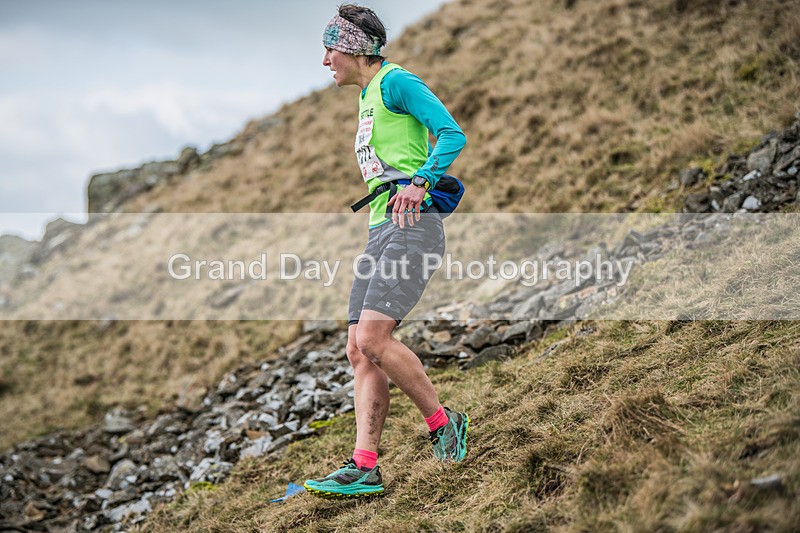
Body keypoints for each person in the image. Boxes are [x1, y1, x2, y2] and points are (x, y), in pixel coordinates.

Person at [303, 5, 470, 500]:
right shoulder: (367, 97)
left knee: (375, 340)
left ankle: (444, 423)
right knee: (358, 349)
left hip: (411, 227)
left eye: (330, 48)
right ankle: (365, 466)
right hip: (381, 230)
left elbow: (452, 133)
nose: (325, 59)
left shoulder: (397, 82)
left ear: (354, 48)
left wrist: (421, 181)